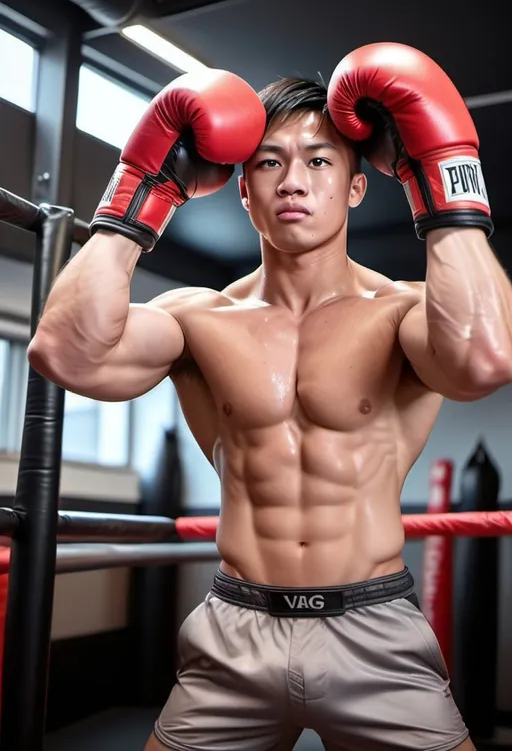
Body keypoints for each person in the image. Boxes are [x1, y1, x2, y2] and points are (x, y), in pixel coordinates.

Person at [28, 43, 512, 751]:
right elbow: (64, 351)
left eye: (319, 160)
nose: (294, 180)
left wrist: (442, 172)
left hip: (375, 632)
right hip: (233, 632)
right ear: (243, 188)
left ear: (355, 185)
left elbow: (485, 358)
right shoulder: (198, 318)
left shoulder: (405, 312)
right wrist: (140, 193)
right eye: (269, 161)